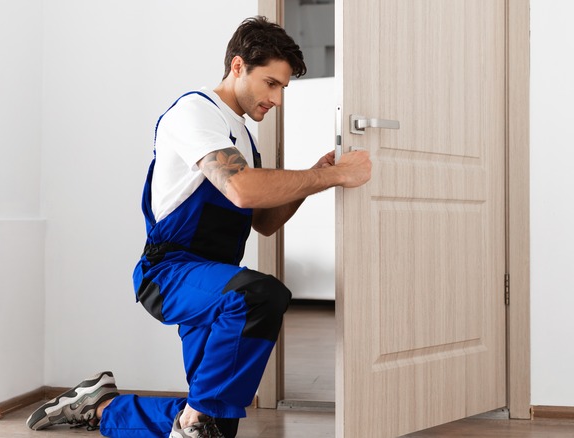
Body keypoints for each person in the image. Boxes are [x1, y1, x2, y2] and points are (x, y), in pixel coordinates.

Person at [26, 16, 371, 438]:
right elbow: (242, 190)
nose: (277, 99)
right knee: (262, 295)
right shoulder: (196, 113)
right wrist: (334, 177)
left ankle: (101, 407)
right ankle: (190, 418)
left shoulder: (243, 137)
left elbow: (264, 222)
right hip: (170, 274)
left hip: (215, 283)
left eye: (283, 88)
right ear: (238, 66)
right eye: (271, 84)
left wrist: (313, 179)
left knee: (214, 426)